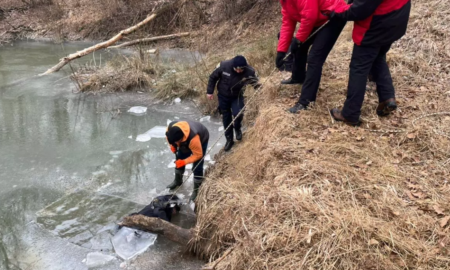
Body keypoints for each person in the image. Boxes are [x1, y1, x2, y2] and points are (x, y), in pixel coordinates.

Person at [329, 0, 411, 126]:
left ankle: (350, 114)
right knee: (378, 56)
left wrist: (338, 11)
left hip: (377, 26)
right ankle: (387, 97)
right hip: (396, 19)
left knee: (359, 68)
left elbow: (359, 10)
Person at [275, 0, 348, 114]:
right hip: (318, 18)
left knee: (315, 58)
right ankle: (298, 77)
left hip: (333, 16)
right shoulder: (285, 2)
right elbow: (288, 22)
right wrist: (281, 51)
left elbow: (309, 16)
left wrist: (299, 39)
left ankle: (306, 102)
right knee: (299, 47)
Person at [207, 55, 260, 151]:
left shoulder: (250, 71)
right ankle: (229, 140)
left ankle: (237, 128)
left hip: (237, 96)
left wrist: (260, 89)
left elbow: (256, 83)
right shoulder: (223, 65)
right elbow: (212, 77)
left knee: (238, 113)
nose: (239, 71)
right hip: (223, 96)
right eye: (237, 69)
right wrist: (210, 91)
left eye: (241, 69)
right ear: (233, 66)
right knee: (226, 118)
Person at [165, 120, 209, 201]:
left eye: (177, 142)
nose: (176, 143)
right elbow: (168, 137)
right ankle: (178, 181)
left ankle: (197, 189)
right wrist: (172, 145)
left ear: (181, 139)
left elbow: (198, 155)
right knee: (179, 158)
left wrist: (184, 162)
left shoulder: (193, 138)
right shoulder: (170, 129)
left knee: (197, 166)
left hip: (202, 138)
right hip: (184, 141)